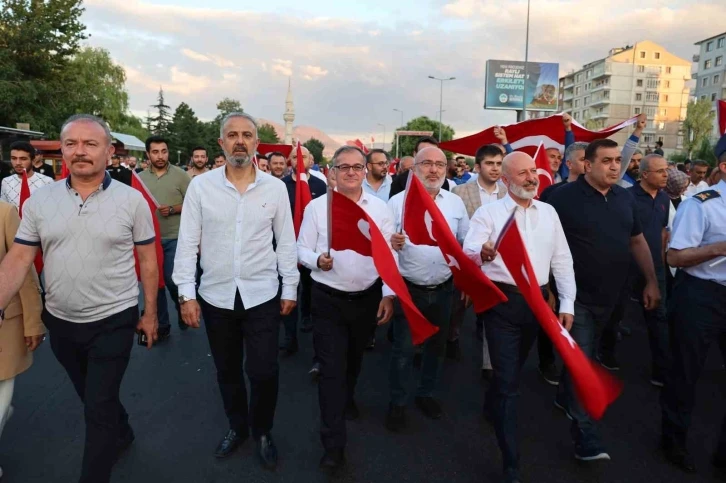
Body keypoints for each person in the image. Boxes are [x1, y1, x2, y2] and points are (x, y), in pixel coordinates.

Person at [0, 114, 158, 483]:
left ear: (109, 151)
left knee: (97, 407)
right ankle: (122, 429)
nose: (80, 151)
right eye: (71, 144)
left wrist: (150, 313)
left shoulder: (132, 201)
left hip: (114, 319)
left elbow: (148, 261)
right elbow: (19, 258)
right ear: (60, 151)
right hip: (63, 322)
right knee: (91, 396)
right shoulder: (40, 202)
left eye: (90, 144)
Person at [173, 112, 298, 469]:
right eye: (232, 135)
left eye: (246, 135)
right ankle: (237, 426)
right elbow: (187, 243)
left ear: (257, 143)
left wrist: (290, 285)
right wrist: (187, 293)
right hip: (216, 295)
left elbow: (285, 241)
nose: (239, 141)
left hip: (262, 294)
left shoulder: (274, 188)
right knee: (227, 370)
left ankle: (262, 430)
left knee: (263, 371)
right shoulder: (202, 187)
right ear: (221, 143)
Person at [463, 151, 575, 483]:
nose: (532, 178)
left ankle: (492, 399)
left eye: (534, 171)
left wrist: (566, 302)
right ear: (506, 181)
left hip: (538, 304)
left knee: (508, 372)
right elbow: (469, 251)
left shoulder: (550, 212)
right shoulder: (488, 213)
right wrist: (482, 252)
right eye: (523, 173)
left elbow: (561, 258)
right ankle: (511, 461)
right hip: (502, 304)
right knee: (510, 385)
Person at [547, 138, 660, 462]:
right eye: (607, 161)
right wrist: (551, 291)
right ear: (588, 165)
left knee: (585, 354)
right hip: (575, 300)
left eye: (617, 161)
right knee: (584, 363)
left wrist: (651, 281)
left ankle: (563, 396)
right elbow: (542, 243)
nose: (615, 166)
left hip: (611, 299)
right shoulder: (561, 198)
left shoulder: (625, 199)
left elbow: (637, 241)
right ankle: (586, 437)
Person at [297, 145, 395, 470]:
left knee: (353, 364)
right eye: (344, 167)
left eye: (357, 166)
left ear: (365, 170)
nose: (351, 172)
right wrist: (317, 260)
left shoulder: (379, 209)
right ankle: (333, 445)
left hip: (366, 299)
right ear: (333, 172)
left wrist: (388, 294)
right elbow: (301, 250)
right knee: (331, 372)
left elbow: (389, 256)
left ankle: (348, 395)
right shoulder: (317, 208)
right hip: (327, 300)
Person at [386, 147, 468, 430]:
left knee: (436, 346)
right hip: (409, 289)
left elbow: (464, 244)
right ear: (415, 169)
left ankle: (426, 393)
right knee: (404, 350)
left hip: (444, 288)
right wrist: (392, 242)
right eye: (427, 164)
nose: (433, 170)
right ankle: (397, 402)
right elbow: (383, 247)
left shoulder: (455, 204)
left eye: (439, 164)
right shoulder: (397, 202)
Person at [660, 134, 726, 474]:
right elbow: (674, 256)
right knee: (686, 372)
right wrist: (719, 248)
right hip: (701, 293)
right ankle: (673, 441)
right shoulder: (701, 203)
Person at [450, 144, 507, 371]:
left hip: (499, 265)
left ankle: (488, 365)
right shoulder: (460, 192)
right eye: (489, 163)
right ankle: (452, 339)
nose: (495, 169)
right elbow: (455, 233)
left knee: (494, 317)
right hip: (468, 262)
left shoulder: (507, 192)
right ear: (478, 166)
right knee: (458, 310)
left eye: (499, 164)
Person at [0, 202, 45, 481]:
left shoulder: (5, 213)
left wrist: (33, 320)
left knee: (2, 390)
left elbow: (23, 267)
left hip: (5, 323)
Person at [138, 135, 191, 339]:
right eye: (155, 152)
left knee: (170, 279)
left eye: (164, 151)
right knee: (155, 283)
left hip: (174, 237)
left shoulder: (181, 175)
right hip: (149, 240)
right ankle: (162, 325)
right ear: (148, 154)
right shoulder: (140, 178)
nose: (160, 156)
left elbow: (194, 203)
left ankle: (181, 308)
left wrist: (174, 208)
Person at [626, 154, 671, 387]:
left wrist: (662, 262)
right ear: (644, 175)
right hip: (627, 269)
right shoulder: (627, 198)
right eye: (660, 171)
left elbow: (663, 230)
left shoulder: (664, 198)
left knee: (659, 317)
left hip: (656, 269)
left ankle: (661, 371)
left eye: (666, 170)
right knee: (616, 317)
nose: (666, 174)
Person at [280, 145, 326, 354]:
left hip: (311, 248)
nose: (299, 160)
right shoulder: (280, 186)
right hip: (285, 245)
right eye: (294, 157)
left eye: (303, 156)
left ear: (311, 160)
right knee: (287, 287)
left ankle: (307, 317)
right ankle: (290, 336)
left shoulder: (320, 184)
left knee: (309, 286)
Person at [0, 141, 54, 210]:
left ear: (33, 160)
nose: (18, 163)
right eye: (14, 158)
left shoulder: (47, 182)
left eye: (23, 159)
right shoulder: (6, 182)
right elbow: (3, 209)